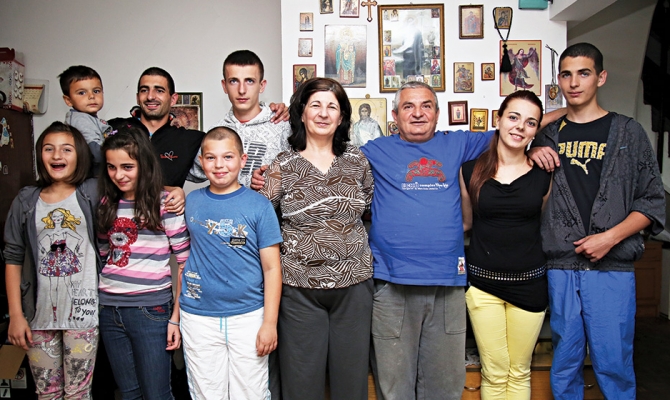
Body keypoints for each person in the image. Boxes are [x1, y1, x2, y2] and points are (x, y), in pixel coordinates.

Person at [528, 42, 665, 400]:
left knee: (614, 362)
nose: (574, 83)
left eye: (584, 73)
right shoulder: (547, 136)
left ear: (601, 77)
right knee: (565, 361)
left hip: (612, 268)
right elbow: (502, 140)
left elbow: (652, 200)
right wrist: (534, 143)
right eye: (566, 75)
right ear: (558, 80)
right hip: (561, 266)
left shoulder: (629, 133)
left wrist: (610, 238)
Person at [360, 81, 493, 400]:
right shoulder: (375, 149)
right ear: (395, 116)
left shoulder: (457, 143)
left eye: (426, 106)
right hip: (392, 285)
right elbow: (323, 155)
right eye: (408, 106)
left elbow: (515, 133)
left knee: (444, 387)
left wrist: (539, 144)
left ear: (437, 113)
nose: (418, 113)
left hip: (446, 285)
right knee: (395, 388)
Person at [259, 77, 374, 400]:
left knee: (351, 383)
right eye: (316, 105)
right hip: (299, 290)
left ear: (342, 116)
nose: (323, 113)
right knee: (301, 383)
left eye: (332, 107)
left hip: (354, 286)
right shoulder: (282, 165)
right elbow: (262, 218)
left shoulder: (357, 161)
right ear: (302, 113)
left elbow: (368, 207)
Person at [459, 90, 551, 399]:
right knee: (495, 371)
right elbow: (466, 224)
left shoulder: (545, 175)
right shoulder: (469, 171)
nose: (520, 127)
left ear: (535, 131)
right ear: (498, 120)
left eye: (530, 123)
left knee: (520, 371)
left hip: (530, 285)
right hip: (483, 287)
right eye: (513, 117)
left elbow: (543, 222)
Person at [180, 127, 282, 399]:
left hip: (248, 316)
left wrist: (269, 323)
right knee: (206, 393)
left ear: (242, 159)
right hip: (198, 316)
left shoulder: (259, 206)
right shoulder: (192, 201)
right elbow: (182, 256)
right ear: (201, 161)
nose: (219, 165)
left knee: (250, 393)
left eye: (227, 157)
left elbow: (272, 268)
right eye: (211, 158)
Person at [5, 122, 101, 398]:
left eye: (67, 149)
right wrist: (16, 316)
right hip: (37, 316)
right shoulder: (26, 199)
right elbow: (13, 257)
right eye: (49, 149)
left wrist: (175, 191)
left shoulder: (92, 191)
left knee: (78, 394)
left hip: (83, 315)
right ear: (40, 155)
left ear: (80, 154)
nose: (57, 155)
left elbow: (133, 178)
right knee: (47, 393)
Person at [97, 125, 190, 400]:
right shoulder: (106, 203)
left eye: (127, 167)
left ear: (145, 165)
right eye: (112, 167)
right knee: (129, 393)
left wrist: (175, 319)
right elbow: (104, 254)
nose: (119, 175)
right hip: (109, 309)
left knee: (156, 393)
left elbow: (185, 265)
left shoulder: (166, 204)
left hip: (150, 309)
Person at [108, 67, 288, 208]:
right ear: (137, 97)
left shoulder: (190, 140)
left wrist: (275, 111)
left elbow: (224, 162)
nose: (151, 96)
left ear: (173, 99)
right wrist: (171, 189)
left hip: (164, 230)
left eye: (159, 90)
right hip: (113, 221)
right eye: (144, 90)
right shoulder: (113, 129)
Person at [207, 50, 292, 189]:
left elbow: (303, 175)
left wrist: (271, 181)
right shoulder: (215, 131)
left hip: (270, 204)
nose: (242, 90)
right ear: (224, 86)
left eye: (250, 81)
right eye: (234, 81)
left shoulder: (283, 125)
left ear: (262, 85)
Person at [59, 65, 112, 174]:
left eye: (96, 91)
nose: (91, 96)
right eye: (82, 93)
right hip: (91, 176)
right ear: (68, 100)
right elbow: (96, 152)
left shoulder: (88, 118)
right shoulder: (80, 120)